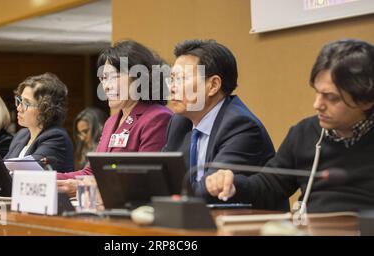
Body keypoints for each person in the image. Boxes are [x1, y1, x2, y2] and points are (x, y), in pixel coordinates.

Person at [206, 39, 374, 213]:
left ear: (366, 100)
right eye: (317, 93)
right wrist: (234, 185)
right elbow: (269, 185)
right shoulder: (305, 133)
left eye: (331, 97)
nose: (317, 104)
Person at [162, 39, 275, 202]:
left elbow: (210, 189)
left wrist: (164, 194)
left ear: (213, 85)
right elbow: (161, 176)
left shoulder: (240, 126)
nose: (172, 88)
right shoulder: (179, 123)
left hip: (243, 222)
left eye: (181, 79)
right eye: (172, 79)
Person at [57, 40, 173, 194]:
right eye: (103, 78)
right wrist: (47, 177)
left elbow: (145, 179)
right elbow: (91, 172)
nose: (106, 86)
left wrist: (82, 187)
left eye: (113, 77)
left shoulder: (157, 117)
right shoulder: (112, 121)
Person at [5, 73, 74, 173]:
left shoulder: (56, 137)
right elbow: (2, 170)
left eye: (26, 103)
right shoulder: (21, 135)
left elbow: (29, 173)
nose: (19, 108)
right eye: (19, 101)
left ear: (46, 108)